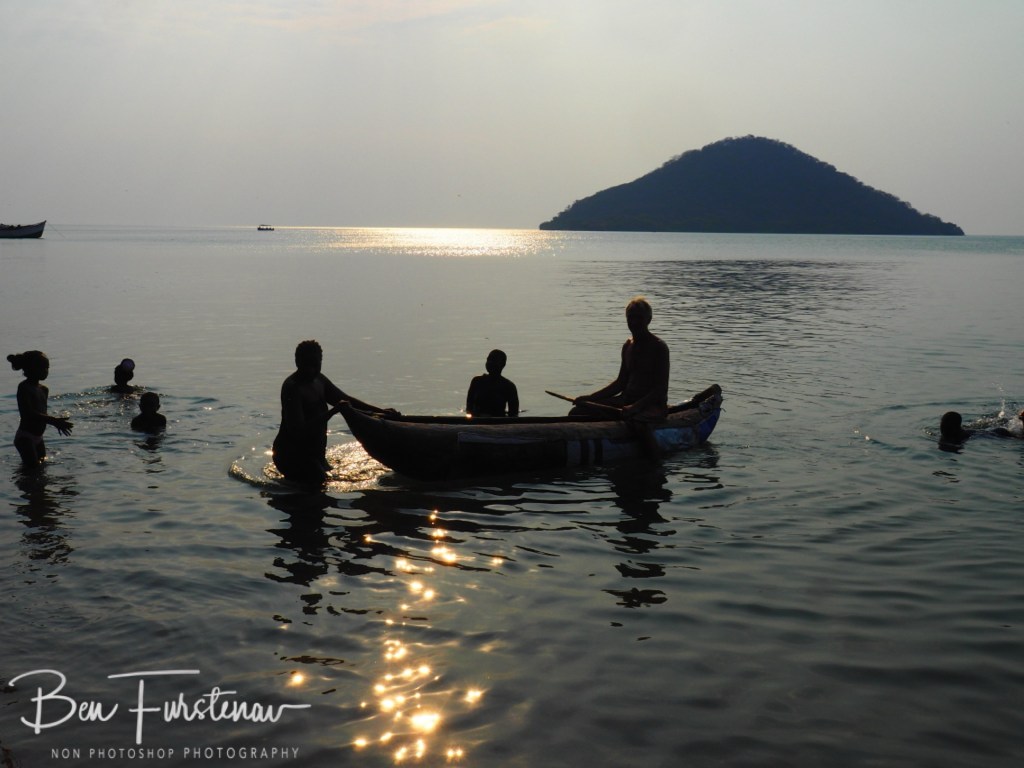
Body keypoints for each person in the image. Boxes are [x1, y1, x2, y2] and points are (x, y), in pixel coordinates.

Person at [272, 340, 392, 485]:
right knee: (319, 484)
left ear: (321, 362)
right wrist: (333, 411)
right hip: (292, 454)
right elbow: (298, 431)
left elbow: (345, 400)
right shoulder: (292, 388)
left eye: (315, 365)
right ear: (297, 362)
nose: (311, 370)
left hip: (316, 454)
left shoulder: (320, 380)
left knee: (328, 480)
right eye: (306, 364)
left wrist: (380, 412)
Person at [571, 296, 670, 420]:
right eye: (631, 317)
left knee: (635, 420)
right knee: (578, 411)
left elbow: (660, 389)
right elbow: (620, 383)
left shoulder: (658, 347)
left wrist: (635, 407)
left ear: (648, 319)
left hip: (651, 406)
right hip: (625, 401)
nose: (634, 322)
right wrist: (590, 398)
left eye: (639, 318)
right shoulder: (628, 345)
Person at [7, 351, 74, 468]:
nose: (46, 371)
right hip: (25, 437)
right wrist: (54, 421)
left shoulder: (44, 389)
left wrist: (57, 423)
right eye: (42, 367)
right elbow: (28, 413)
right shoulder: (24, 387)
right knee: (32, 469)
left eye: (47, 368)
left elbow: (42, 413)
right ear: (31, 368)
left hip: (39, 437)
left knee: (40, 470)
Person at [466, 349, 519, 417]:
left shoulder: (509, 387)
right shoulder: (476, 382)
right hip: (477, 421)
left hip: (498, 421)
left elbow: (514, 413)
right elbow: (469, 407)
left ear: (503, 364)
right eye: (488, 359)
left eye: (494, 360)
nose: (490, 362)